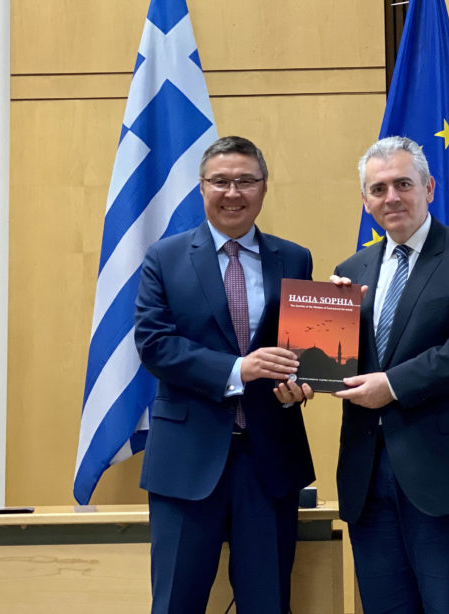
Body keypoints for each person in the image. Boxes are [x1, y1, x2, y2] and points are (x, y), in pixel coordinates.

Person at [331, 136, 449, 614]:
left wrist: (393, 386)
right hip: (368, 478)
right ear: (365, 201)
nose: (391, 197)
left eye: (403, 184)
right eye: (378, 189)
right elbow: (340, 366)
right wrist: (320, 337)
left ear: (429, 188)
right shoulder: (351, 271)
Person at [134, 136, 316, 614]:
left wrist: (302, 383)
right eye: (220, 181)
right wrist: (238, 369)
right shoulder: (164, 257)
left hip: (269, 460)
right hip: (186, 460)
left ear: (264, 187)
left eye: (245, 181)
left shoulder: (294, 258)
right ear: (201, 187)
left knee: (268, 602)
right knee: (176, 602)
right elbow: (154, 344)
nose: (232, 192)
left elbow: (303, 349)